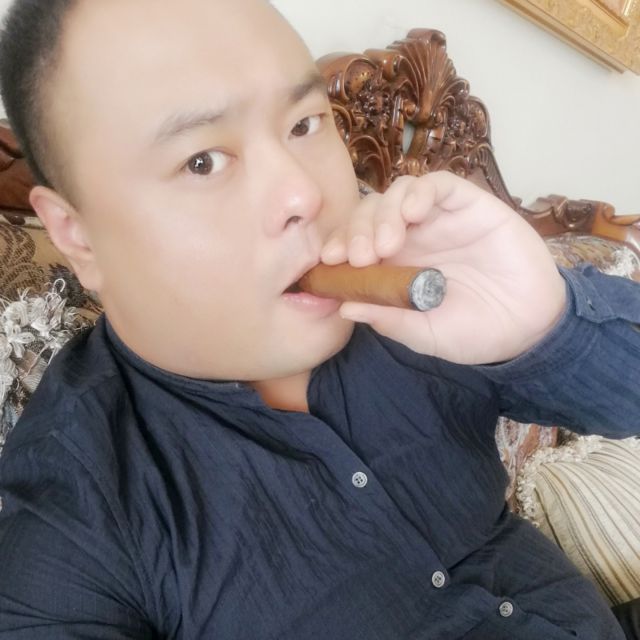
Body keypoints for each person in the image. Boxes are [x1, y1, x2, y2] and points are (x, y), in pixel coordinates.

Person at [0, 0, 638, 638]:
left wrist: (547, 324)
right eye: (202, 162)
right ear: (77, 236)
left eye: (305, 124)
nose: (304, 194)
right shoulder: (72, 513)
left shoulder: (419, 281)